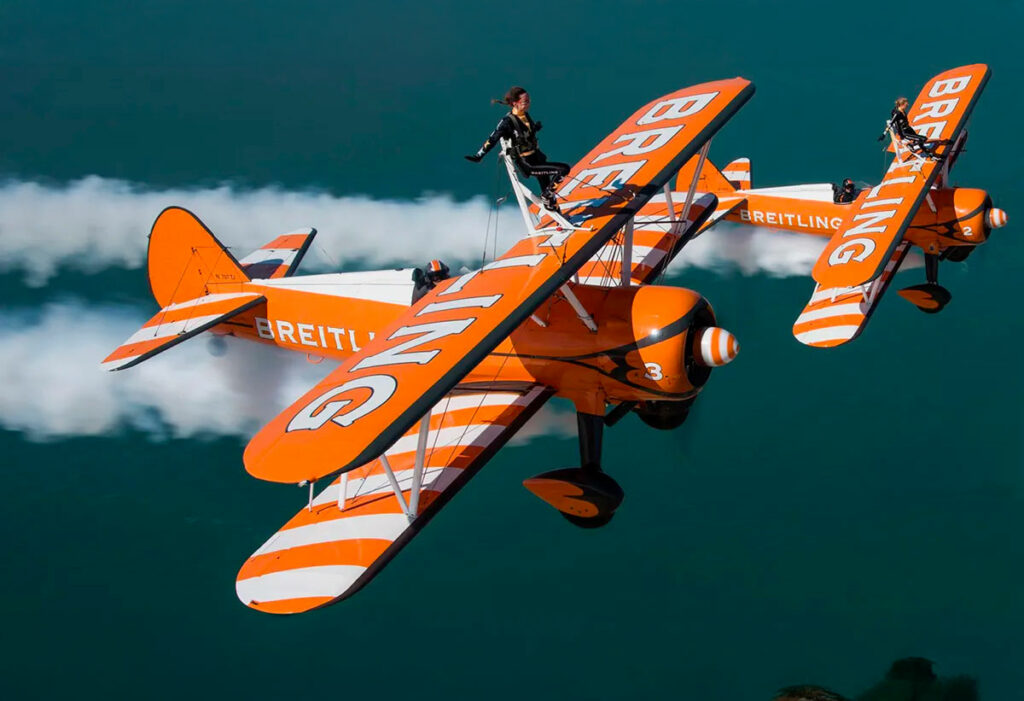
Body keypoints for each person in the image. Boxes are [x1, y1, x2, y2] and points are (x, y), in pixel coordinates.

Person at [465, 86, 571, 212]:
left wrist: (534, 129)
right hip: (528, 164)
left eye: (529, 101)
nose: (528, 104)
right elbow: (492, 139)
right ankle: (546, 196)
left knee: (549, 193)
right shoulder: (507, 122)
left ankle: (558, 215)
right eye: (525, 102)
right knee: (563, 170)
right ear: (515, 103)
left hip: (537, 158)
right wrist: (479, 156)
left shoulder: (525, 115)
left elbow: (525, 134)